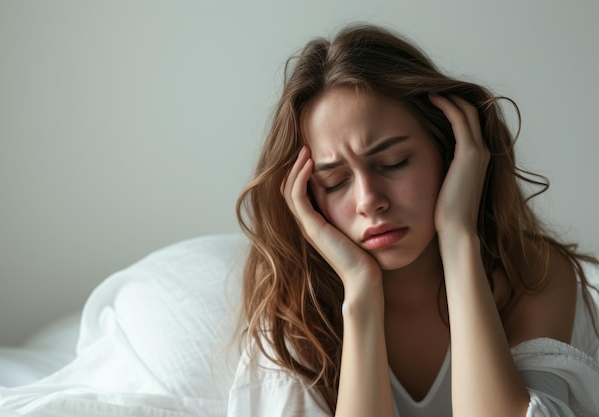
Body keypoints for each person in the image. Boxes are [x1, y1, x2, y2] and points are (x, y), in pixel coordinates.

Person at [229, 23, 599, 417]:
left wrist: (458, 239)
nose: (369, 200)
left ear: (452, 151)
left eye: (394, 162)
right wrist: (360, 294)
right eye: (335, 182)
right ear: (308, 198)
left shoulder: (536, 277)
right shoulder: (294, 312)